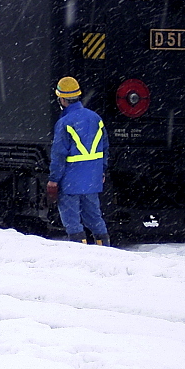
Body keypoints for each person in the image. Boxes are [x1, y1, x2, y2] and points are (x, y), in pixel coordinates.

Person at [46, 77, 110, 246]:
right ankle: (104, 249)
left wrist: (53, 180)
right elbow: (105, 147)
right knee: (95, 217)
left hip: (70, 180)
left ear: (62, 99)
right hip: (92, 179)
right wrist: (102, 170)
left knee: (72, 221)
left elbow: (59, 155)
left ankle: (80, 251)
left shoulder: (64, 123)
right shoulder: (96, 118)